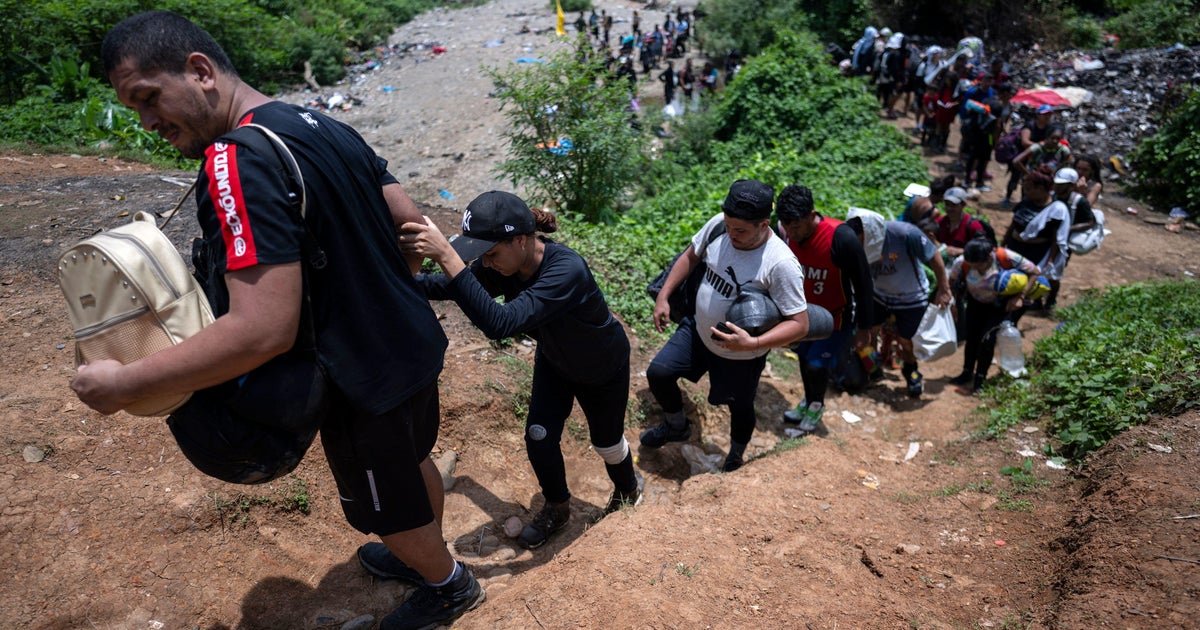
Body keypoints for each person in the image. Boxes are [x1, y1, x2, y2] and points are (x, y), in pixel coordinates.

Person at [85, 11, 483, 630]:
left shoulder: (234, 160)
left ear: (199, 71)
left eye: (148, 98)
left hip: (359, 377)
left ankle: (447, 584)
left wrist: (127, 384)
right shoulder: (321, 123)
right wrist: (382, 289)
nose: (147, 121)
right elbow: (409, 221)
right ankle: (422, 561)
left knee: (385, 506)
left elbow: (261, 329)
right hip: (409, 344)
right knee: (410, 459)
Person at [401, 191, 642, 550]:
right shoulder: (505, 264)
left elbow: (500, 323)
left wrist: (448, 257)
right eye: (483, 255)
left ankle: (627, 490)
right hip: (555, 362)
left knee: (606, 443)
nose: (487, 262)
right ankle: (558, 507)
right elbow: (452, 287)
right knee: (539, 436)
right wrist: (399, 282)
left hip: (601, 367)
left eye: (492, 253)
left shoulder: (565, 271)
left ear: (520, 239)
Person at [640, 180, 810, 472]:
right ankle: (676, 425)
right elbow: (691, 256)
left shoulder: (780, 263)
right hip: (698, 331)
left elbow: (800, 324)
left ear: (763, 225)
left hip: (741, 355)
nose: (732, 234)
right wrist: (664, 296)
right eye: (729, 226)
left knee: (740, 406)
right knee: (659, 372)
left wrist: (753, 344)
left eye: (741, 231)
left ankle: (736, 455)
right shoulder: (720, 225)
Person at [776, 185, 874, 435]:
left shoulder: (841, 238)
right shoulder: (786, 233)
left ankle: (816, 407)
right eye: (786, 226)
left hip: (835, 318)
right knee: (803, 360)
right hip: (801, 316)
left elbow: (863, 284)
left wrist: (865, 328)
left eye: (796, 226)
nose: (791, 233)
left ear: (811, 215)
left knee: (816, 366)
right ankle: (808, 401)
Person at [847, 208, 952, 398]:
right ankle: (872, 367)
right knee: (868, 331)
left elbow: (934, 256)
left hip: (911, 296)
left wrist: (944, 288)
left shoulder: (905, 234)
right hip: (879, 293)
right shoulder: (852, 239)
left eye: (863, 239)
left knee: (907, 341)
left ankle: (911, 372)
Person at [947, 239, 1042, 394]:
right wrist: (952, 302)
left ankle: (980, 379)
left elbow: (1035, 271)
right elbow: (951, 281)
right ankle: (966, 372)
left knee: (987, 340)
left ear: (989, 258)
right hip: (975, 302)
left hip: (1000, 305)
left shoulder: (1006, 257)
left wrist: (1020, 296)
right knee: (972, 338)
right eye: (971, 265)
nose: (974, 268)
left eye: (978, 265)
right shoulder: (962, 262)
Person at [1002, 172, 1069, 313]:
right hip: (1014, 247)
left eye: (1029, 189)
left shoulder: (1056, 209)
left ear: (1041, 189)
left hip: (1034, 253)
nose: (1026, 192)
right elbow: (1013, 224)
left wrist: (1049, 261)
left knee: (1024, 285)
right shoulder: (1026, 202)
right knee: (1008, 282)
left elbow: (1055, 240)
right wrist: (1003, 243)